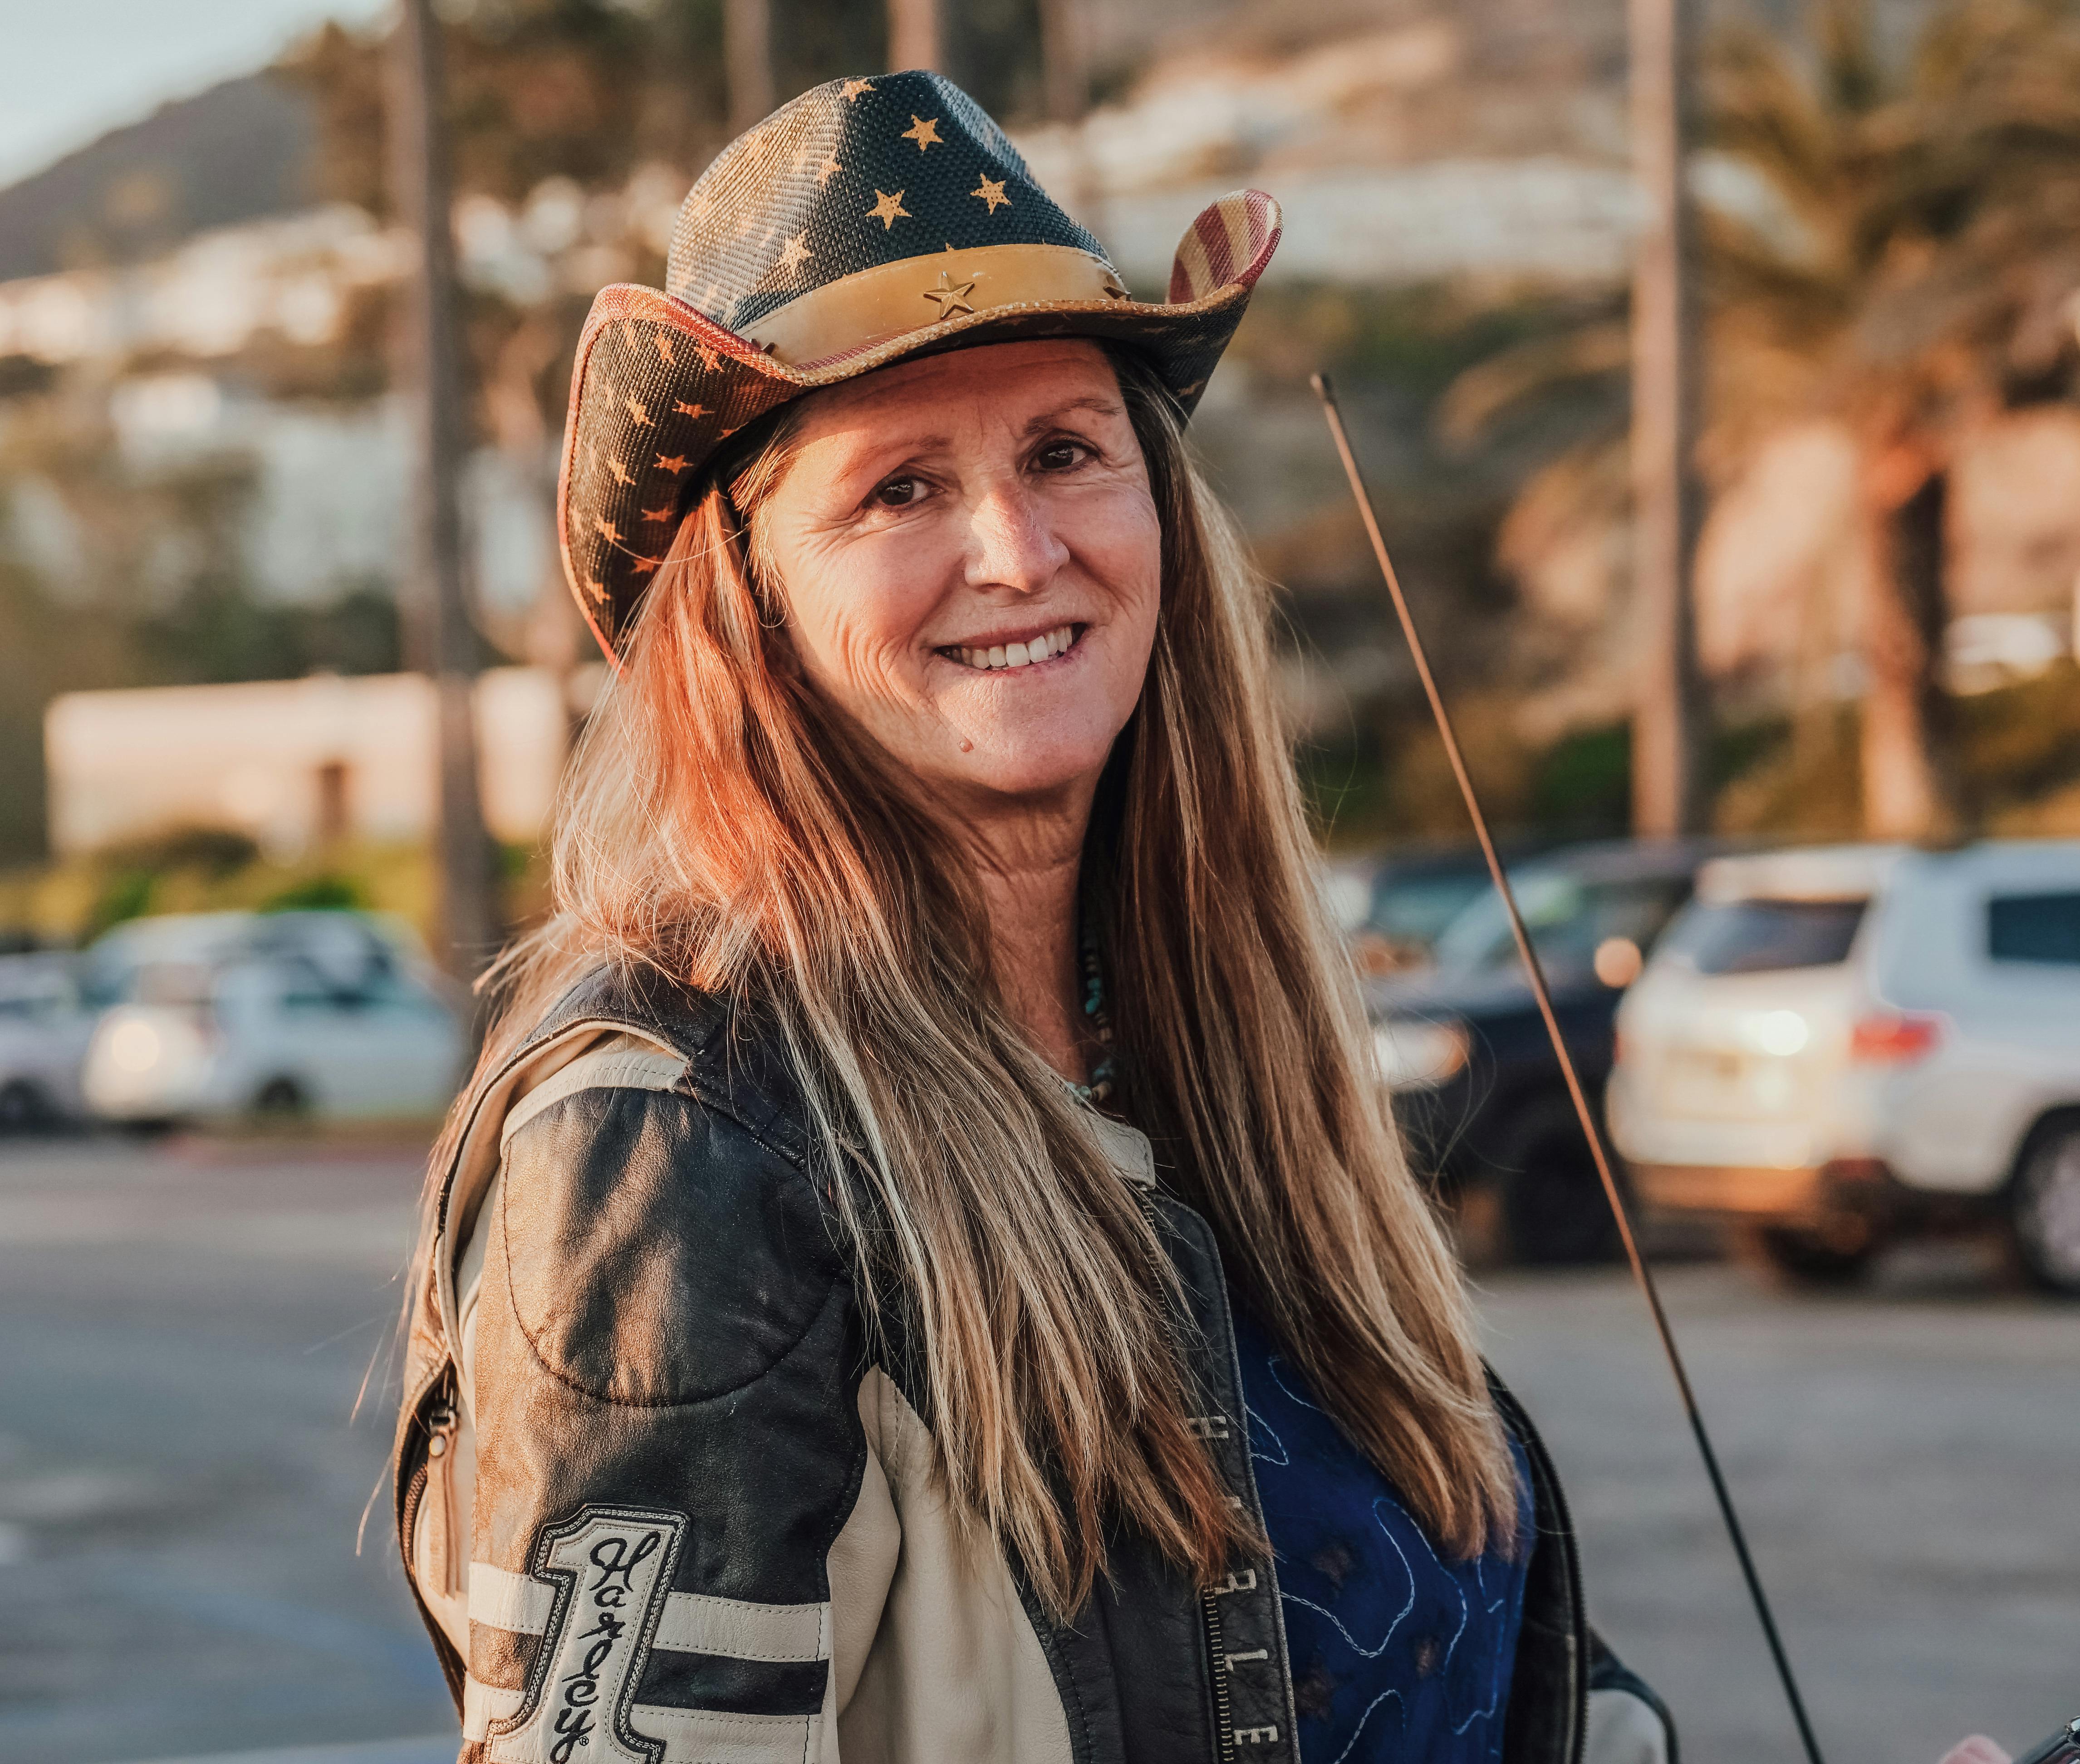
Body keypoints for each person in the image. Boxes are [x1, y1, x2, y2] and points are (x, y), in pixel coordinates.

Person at [390, 69, 1990, 1764]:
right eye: (900, 489)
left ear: (1162, 513)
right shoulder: (675, 1145)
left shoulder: (1219, 1062)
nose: (1016, 550)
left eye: (1066, 453)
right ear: (753, 607)